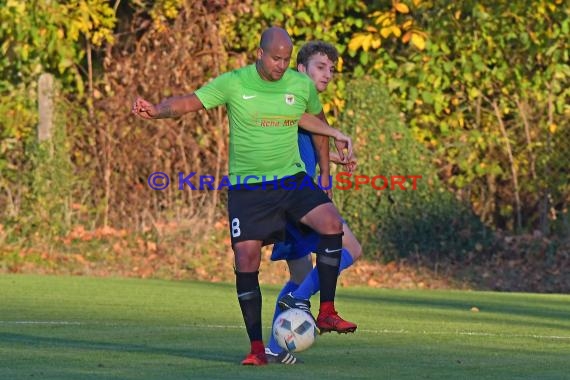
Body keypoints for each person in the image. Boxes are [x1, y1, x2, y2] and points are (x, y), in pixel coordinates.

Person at [132, 27, 356, 366]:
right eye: (276, 58)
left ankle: (325, 310)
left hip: (290, 181)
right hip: (249, 188)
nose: (281, 65)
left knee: (331, 224)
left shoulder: (300, 87)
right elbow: (189, 102)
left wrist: (326, 170)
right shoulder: (235, 82)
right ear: (260, 53)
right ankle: (258, 349)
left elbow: (317, 126)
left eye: (285, 59)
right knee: (247, 261)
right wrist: (157, 110)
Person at [264, 41, 362, 365]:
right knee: (350, 247)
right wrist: (335, 133)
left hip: (287, 197)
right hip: (294, 195)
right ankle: (299, 300)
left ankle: (274, 348)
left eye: (332, 69)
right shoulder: (291, 94)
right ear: (301, 68)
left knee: (301, 273)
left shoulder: (304, 101)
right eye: (321, 66)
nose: (328, 74)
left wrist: (332, 158)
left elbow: (300, 142)